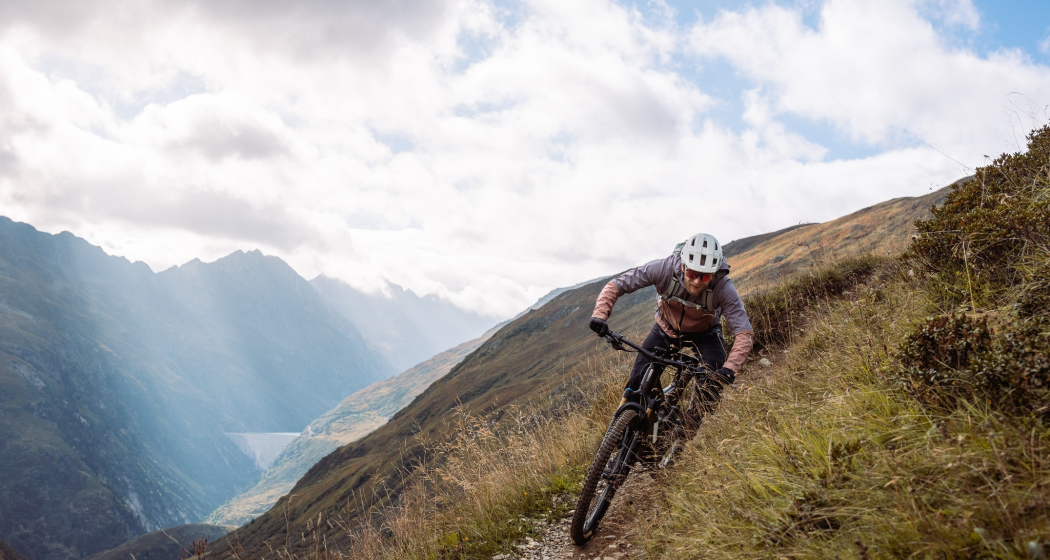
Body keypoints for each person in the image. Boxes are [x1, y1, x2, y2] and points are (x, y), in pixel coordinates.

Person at [589, 233, 754, 405]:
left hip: (707, 333)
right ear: (683, 266)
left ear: (714, 273)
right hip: (666, 328)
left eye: (705, 276)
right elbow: (617, 284)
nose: (697, 282)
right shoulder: (664, 269)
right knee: (636, 383)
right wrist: (600, 314)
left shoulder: (723, 288)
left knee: (711, 386)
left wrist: (730, 368)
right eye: (692, 272)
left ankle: (688, 428)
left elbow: (744, 333)